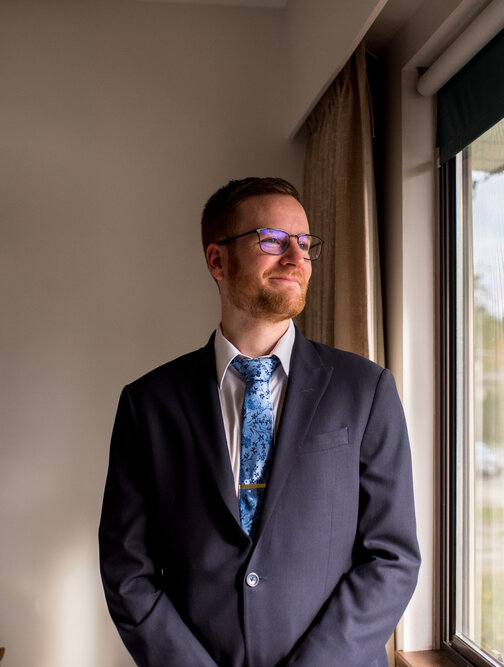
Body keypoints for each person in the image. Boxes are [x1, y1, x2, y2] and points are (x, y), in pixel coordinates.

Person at [98, 177, 420, 667]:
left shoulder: (365, 390)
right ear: (217, 260)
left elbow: (392, 557)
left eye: (305, 243)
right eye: (272, 240)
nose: (296, 257)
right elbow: (127, 569)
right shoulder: (148, 404)